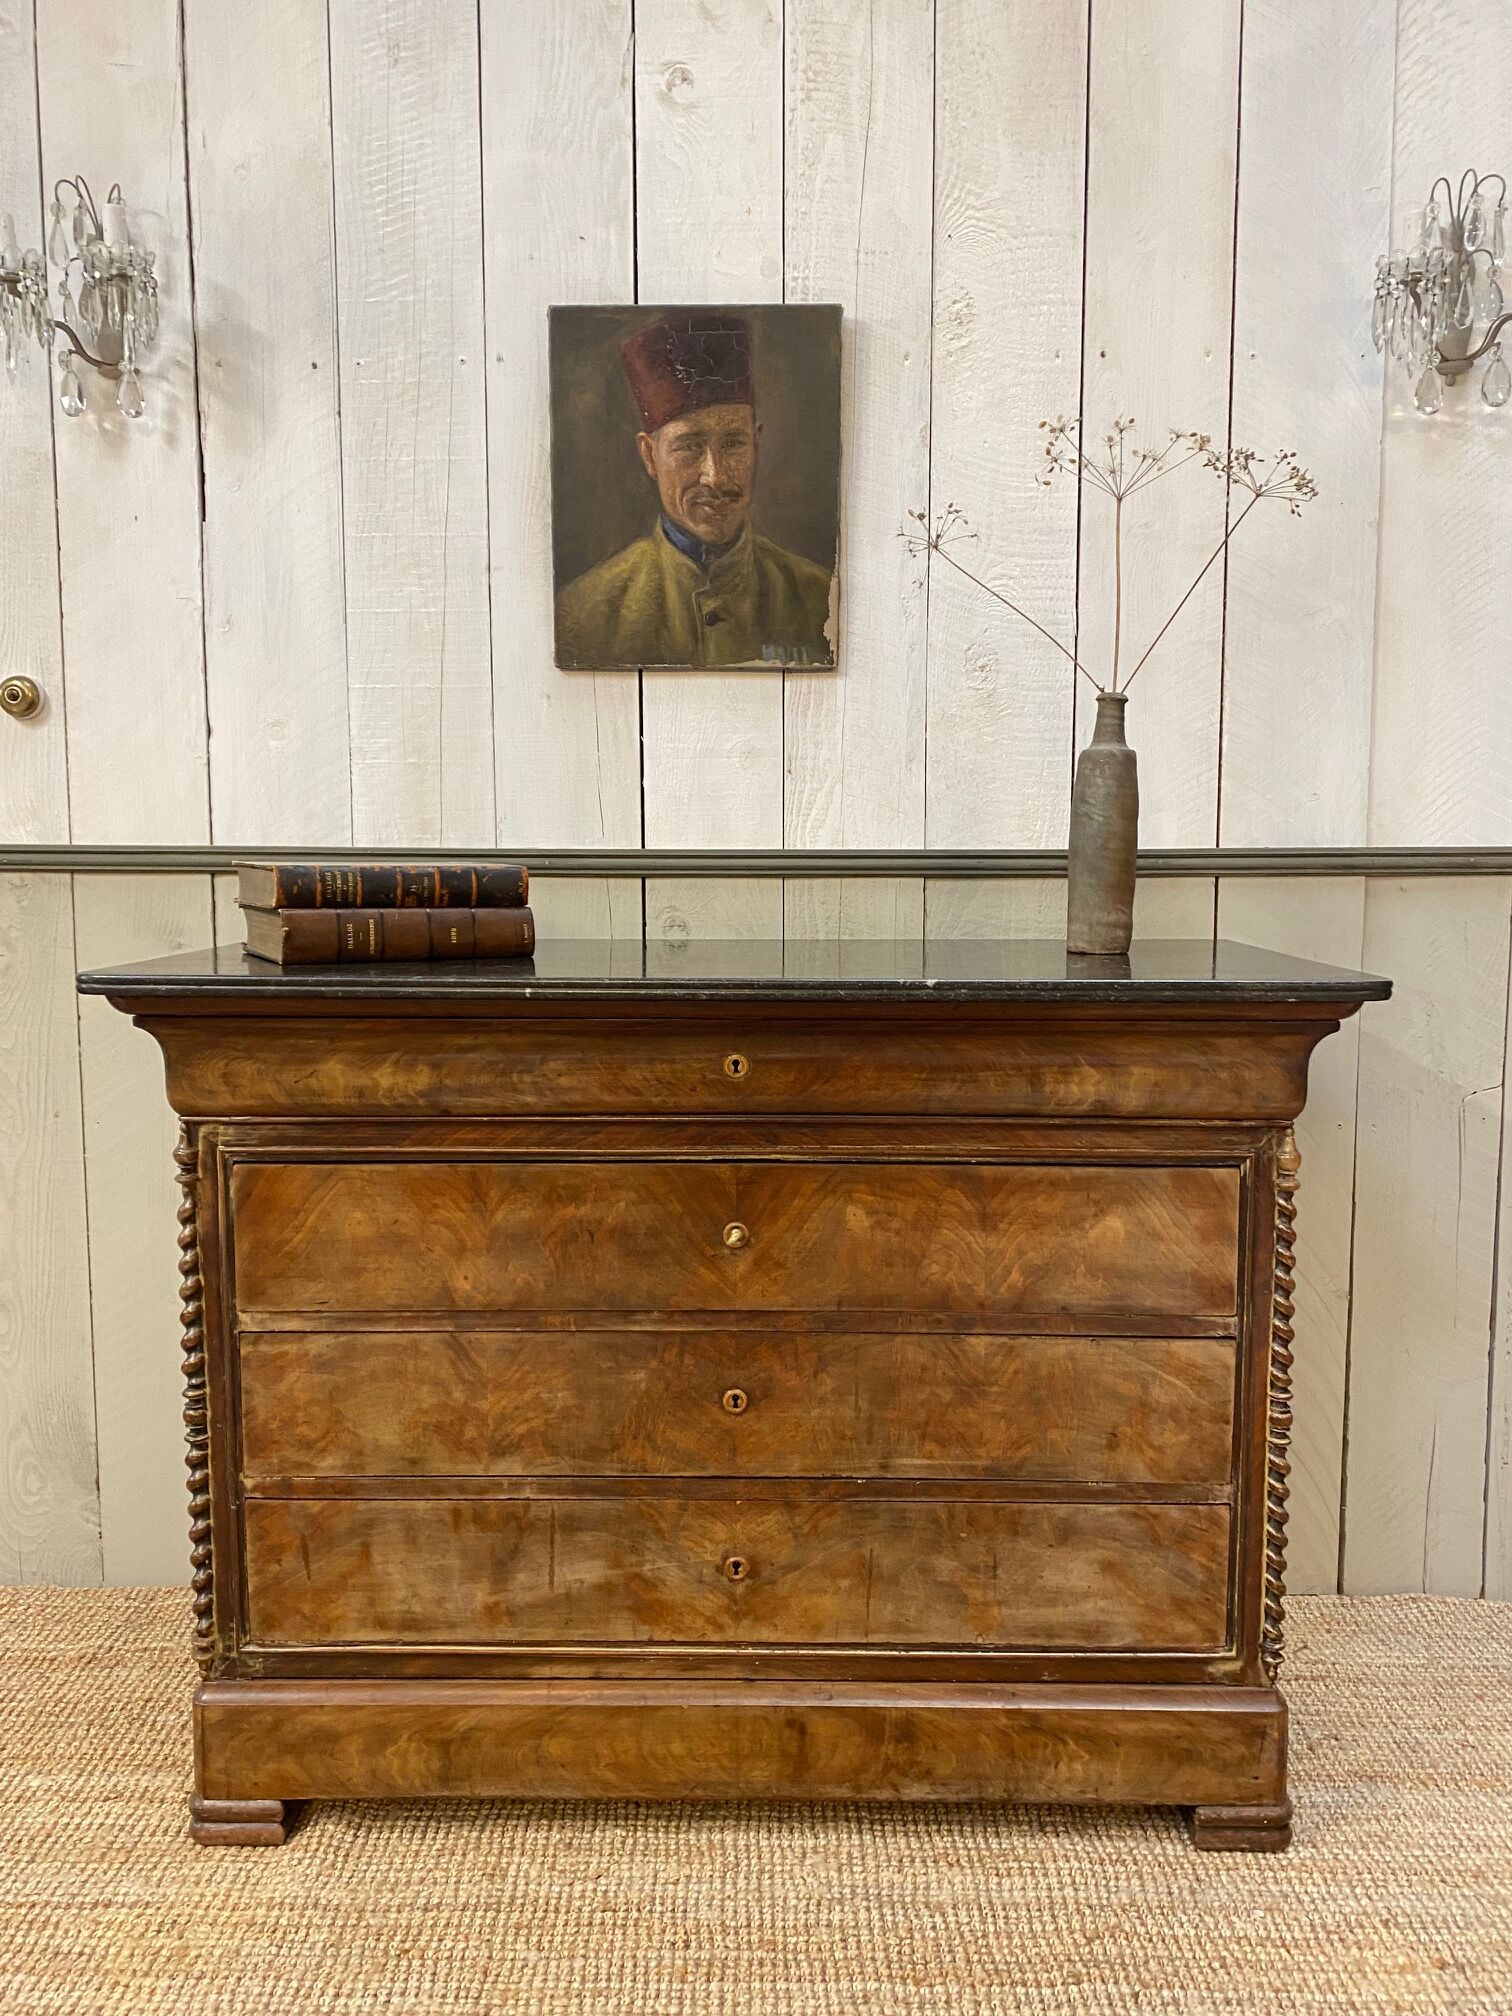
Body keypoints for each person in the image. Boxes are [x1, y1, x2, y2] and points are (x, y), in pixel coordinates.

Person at [555, 311, 834, 669]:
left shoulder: (818, 598)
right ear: (650, 456)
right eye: (688, 446)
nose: (715, 478)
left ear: (757, 444)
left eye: (733, 443)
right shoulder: (582, 614)